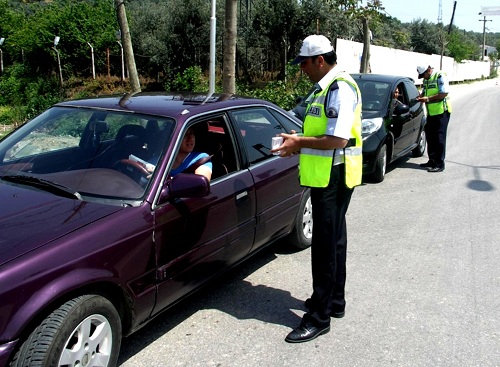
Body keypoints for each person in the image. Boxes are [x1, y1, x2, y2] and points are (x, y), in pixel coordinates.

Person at [271, 35, 363, 343]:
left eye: (304, 63)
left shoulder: (339, 88)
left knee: (324, 246)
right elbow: (318, 129)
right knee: (334, 239)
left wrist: (299, 143)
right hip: (330, 174)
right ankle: (333, 302)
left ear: (320, 60)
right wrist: (298, 140)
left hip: (332, 176)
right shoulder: (325, 87)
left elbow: (337, 139)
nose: (302, 69)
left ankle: (319, 318)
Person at [415, 65, 452, 173]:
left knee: (439, 138)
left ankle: (440, 164)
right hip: (431, 113)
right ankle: (432, 160)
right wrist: (420, 96)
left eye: (424, 74)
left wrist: (427, 99)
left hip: (442, 112)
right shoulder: (426, 80)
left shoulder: (439, 75)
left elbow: (443, 93)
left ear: (429, 70)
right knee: (430, 136)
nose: (423, 77)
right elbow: (425, 92)